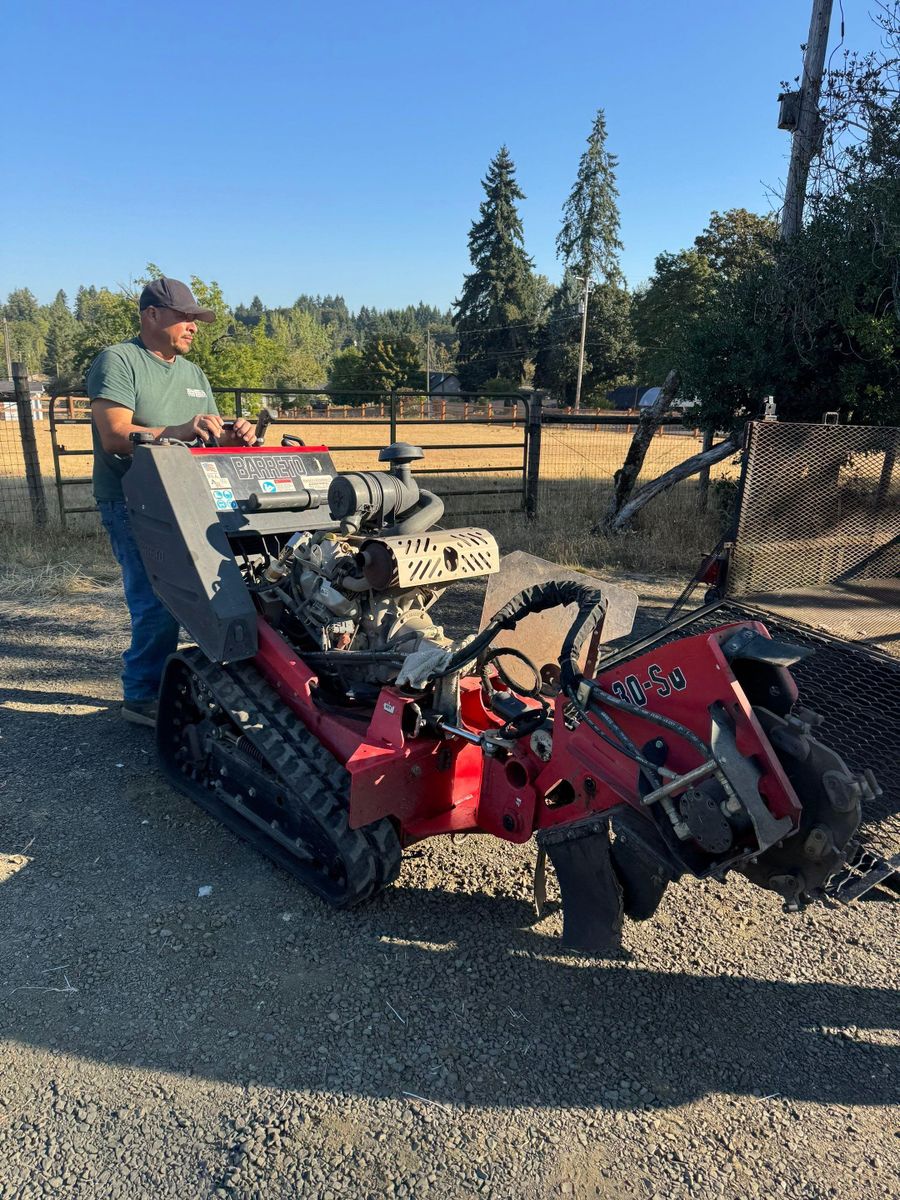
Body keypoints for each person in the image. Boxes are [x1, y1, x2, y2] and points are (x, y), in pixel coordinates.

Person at [87, 276, 256, 726]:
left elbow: (209, 435)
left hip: (188, 497)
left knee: (218, 590)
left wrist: (233, 437)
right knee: (157, 598)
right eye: (185, 317)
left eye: (196, 319)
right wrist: (180, 430)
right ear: (151, 315)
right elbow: (115, 436)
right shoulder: (119, 361)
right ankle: (142, 695)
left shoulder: (193, 373)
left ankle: (213, 682)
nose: (194, 326)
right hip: (133, 499)